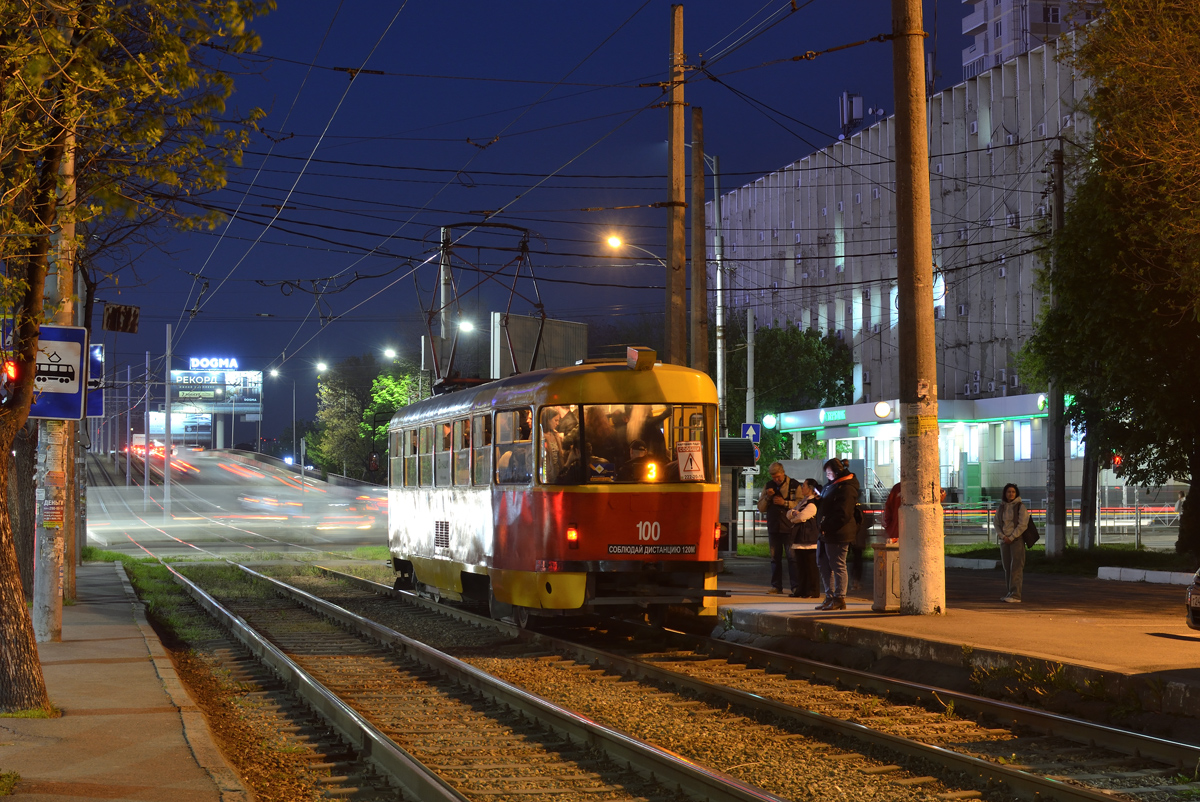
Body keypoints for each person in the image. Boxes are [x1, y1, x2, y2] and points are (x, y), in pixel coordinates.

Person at [815, 458, 861, 611]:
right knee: (823, 564)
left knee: (838, 565)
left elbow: (843, 513)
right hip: (826, 532)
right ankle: (829, 596)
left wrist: (826, 525)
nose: (827, 476)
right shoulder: (833, 485)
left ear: (836, 472)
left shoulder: (846, 487)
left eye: (829, 473)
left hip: (839, 533)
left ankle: (839, 597)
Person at [758, 462, 803, 595]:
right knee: (774, 558)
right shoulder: (768, 486)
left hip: (789, 527)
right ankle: (776, 586)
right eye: (773, 477)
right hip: (774, 527)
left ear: (783, 473)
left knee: (792, 558)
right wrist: (767, 497)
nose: (776, 480)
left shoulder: (794, 485)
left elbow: (801, 504)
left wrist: (785, 503)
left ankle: (795, 586)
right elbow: (760, 508)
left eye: (778, 477)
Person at [785, 478, 823, 598]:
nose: (802, 488)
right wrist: (793, 515)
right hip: (800, 538)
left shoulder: (812, 504)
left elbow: (801, 517)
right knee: (801, 566)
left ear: (811, 489)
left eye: (804, 486)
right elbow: (790, 513)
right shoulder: (803, 502)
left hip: (808, 540)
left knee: (810, 566)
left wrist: (794, 516)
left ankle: (812, 590)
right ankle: (802, 589)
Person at [993, 482, 1030, 603]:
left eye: (1013, 492)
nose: (1011, 494)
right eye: (1008, 492)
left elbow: (1023, 525)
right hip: (1005, 541)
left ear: (1016, 493)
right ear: (1005, 493)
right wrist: (1003, 536)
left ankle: (1016, 595)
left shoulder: (1020, 507)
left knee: (1016, 567)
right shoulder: (1001, 507)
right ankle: (1010, 592)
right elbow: (997, 523)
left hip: (1017, 540)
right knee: (1007, 567)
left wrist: (1012, 537)